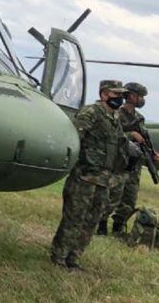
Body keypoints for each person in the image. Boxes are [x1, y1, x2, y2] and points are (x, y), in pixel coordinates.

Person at [50, 80, 127, 271]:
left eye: (121, 95)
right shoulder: (91, 112)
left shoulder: (114, 118)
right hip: (84, 177)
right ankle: (58, 256)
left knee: (92, 221)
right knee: (74, 218)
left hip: (103, 180)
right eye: (116, 94)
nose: (120, 98)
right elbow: (74, 139)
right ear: (104, 95)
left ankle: (74, 258)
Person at [100, 82, 159, 236]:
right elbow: (110, 136)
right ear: (131, 96)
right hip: (118, 163)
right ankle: (101, 225)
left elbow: (143, 142)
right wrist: (130, 135)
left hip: (134, 166)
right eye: (140, 96)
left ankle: (118, 228)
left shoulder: (139, 118)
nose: (142, 100)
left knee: (129, 200)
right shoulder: (117, 113)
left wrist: (152, 154)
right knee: (111, 196)